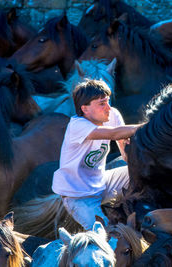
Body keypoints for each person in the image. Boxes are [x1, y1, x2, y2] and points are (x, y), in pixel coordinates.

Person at [52, 79, 141, 230]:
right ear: (85, 109)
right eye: (102, 104)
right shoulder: (77, 125)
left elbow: (126, 154)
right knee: (104, 233)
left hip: (102, 182)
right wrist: (151, 125)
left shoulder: (112, 114)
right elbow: (114, 133)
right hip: (79, 196)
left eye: (108, 102)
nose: (108, 108)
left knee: (141, 172)